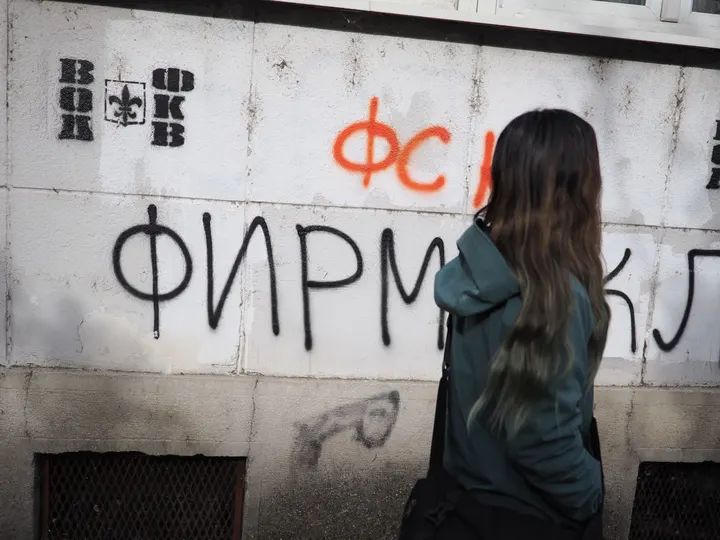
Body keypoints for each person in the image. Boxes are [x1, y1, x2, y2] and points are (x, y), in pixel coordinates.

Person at [433, 109, 609, 537]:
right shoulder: (553, 297)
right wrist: (592, 492)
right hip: (527, 519)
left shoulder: (478, 271)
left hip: (464, 511)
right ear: (574, 188)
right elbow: (542, 440)